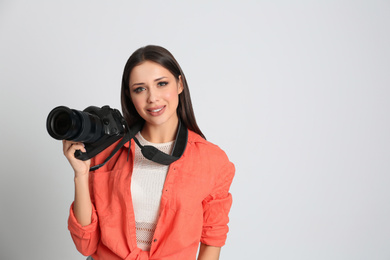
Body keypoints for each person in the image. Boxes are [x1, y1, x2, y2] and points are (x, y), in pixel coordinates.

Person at [63, 45, 235, 260]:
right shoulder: (107, 151)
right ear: (130, 96)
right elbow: (85, 245)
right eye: (140, 89)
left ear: (180, 84)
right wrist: (80, 174)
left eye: (162, 84)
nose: (152, 98)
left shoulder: (212, 161)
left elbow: (212, 239)